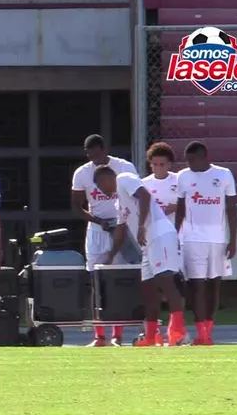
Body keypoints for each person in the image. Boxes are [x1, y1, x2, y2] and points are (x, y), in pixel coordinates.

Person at [95, 166, 187, 347]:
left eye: (99, 184)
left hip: (160, 234)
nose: (99, 189)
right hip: (147, 245)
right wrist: (111, 256)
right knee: (148, 291)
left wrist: (141, 226)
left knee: (166, 281)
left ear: (107, 178)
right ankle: (151, 337)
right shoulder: (119, 202)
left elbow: (145, 196)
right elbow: (121, 229)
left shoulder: (124, 178)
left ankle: (178, 333)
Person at [70, 134, 138, 347]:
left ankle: (118, 334)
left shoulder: (124, 167)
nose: (94, 159)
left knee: (118, 279)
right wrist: (97, 220)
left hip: (122, 226)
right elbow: (76, 206)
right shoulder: (82, 173)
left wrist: (123, 222)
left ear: (105, 149)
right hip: (98, 229)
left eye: (97, 155)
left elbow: (136, 196)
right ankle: (99, 335)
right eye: (90, 156)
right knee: (96, 280)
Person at [175, 141, 237, 346]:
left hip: (218, 239)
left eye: (192, 160)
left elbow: (231, 209)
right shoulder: (183, 176)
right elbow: (180, 208)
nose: (189, 164)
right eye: (187, 161)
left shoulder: (224, 175)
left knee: (214, 285)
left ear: (204, 157)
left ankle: (209, 331)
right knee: (197, 285)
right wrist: (175, 236)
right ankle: (201, 333)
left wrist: (233, 239)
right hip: (192, 239)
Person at [142, 142, 179, 225]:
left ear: (169, 164)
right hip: (153, 230)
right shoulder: (143, 184)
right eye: (155, 164)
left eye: (162, 164)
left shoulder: (179, 180)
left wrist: (177, 207)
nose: (158, 168)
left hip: (177, 229)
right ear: (150, 164)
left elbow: (192, 202)